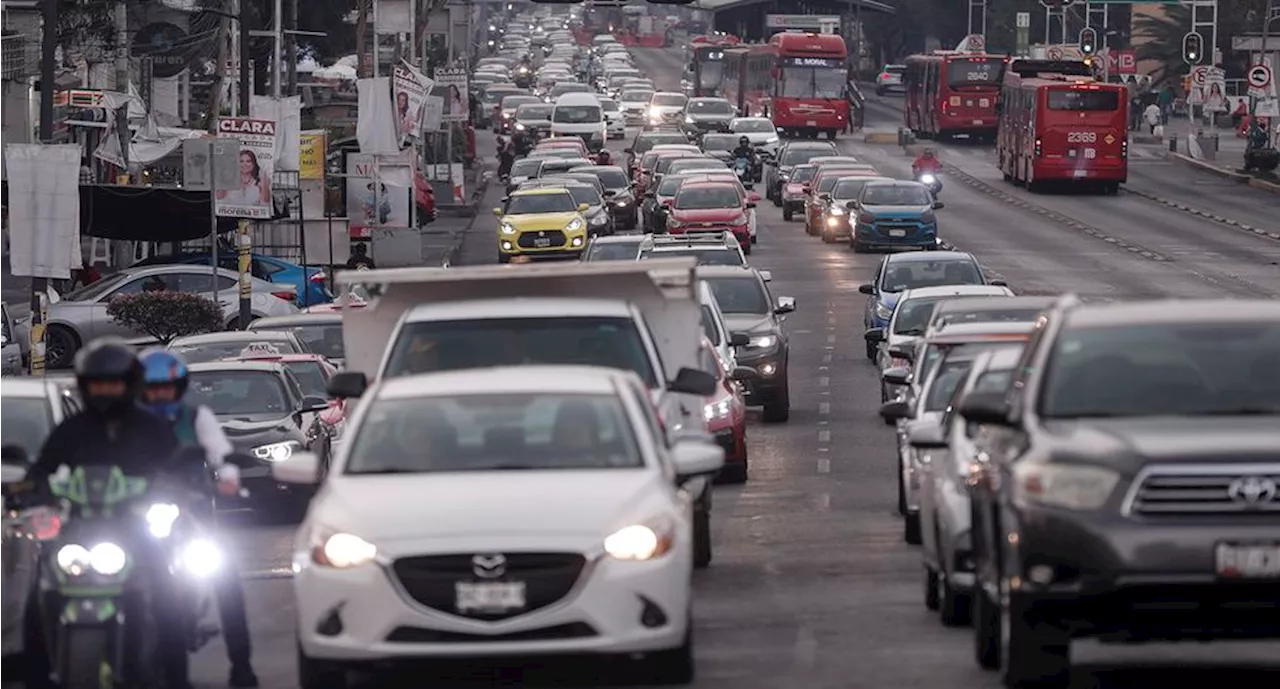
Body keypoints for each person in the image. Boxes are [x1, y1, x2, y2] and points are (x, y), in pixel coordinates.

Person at [23, 340, 192, 689]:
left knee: (168, 596)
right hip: (78, 527)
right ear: (85, 386)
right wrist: (33, 488)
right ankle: (36, 677)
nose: (106, 391)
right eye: (98, 384)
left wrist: (178, 484)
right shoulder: (71, 430)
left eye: (113, 384)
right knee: (39, 595)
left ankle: (177, 677)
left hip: (136, 527)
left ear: (129, 385)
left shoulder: (151, 428)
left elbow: (177, 468)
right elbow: (42, 469)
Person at [138, 349, 259, 688]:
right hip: (140, 514)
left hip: (192, 512)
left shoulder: (196, 417)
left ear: (179, 387)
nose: (161, 394)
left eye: (167, 387)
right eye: (153, 388)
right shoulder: (130, 423)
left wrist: (229, 476)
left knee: (225, 578)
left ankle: (242, 668)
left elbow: (219, 450)